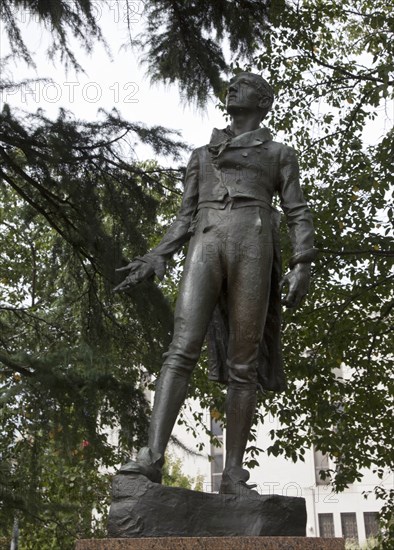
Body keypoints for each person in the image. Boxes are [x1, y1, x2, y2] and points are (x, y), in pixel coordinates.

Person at [114, 72, 317, 495]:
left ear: (264, 103)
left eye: (243, 85)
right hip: (206, 243)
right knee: (180, 349)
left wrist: (303, 261)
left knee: (244, 363)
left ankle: (234, 475)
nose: (232, 88)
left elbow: (297, 210)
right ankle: (152, 458)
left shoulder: (279, 153)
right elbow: (184, 216)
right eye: (231, 85)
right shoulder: (201, 155)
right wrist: (159, 254)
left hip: (254, 244)